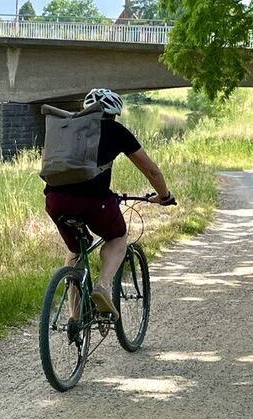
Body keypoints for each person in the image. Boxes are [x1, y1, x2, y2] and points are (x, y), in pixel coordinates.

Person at [44, 88, 176, 317]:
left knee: (76, 249)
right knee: (117, 237)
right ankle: (103, 286)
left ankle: (76, 317)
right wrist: (164, 196)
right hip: (95, 202)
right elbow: (152, 171)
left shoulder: (67, 128)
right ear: (114, 114)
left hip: (56, 200)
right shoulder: (116, 131)